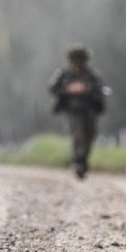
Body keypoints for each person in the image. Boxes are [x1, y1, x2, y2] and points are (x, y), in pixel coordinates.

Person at [49, 44, 105, 179]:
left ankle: (83, 160)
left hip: (89, 110)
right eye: (75, 59)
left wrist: (85, 88)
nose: (78, 62)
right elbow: (52, 88)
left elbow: (99, 88)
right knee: (77, 135)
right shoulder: (63, 74)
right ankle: (79, 162)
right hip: (72, 111)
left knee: (89, 135)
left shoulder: (92, 74)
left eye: (80, 59)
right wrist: (68, 89)